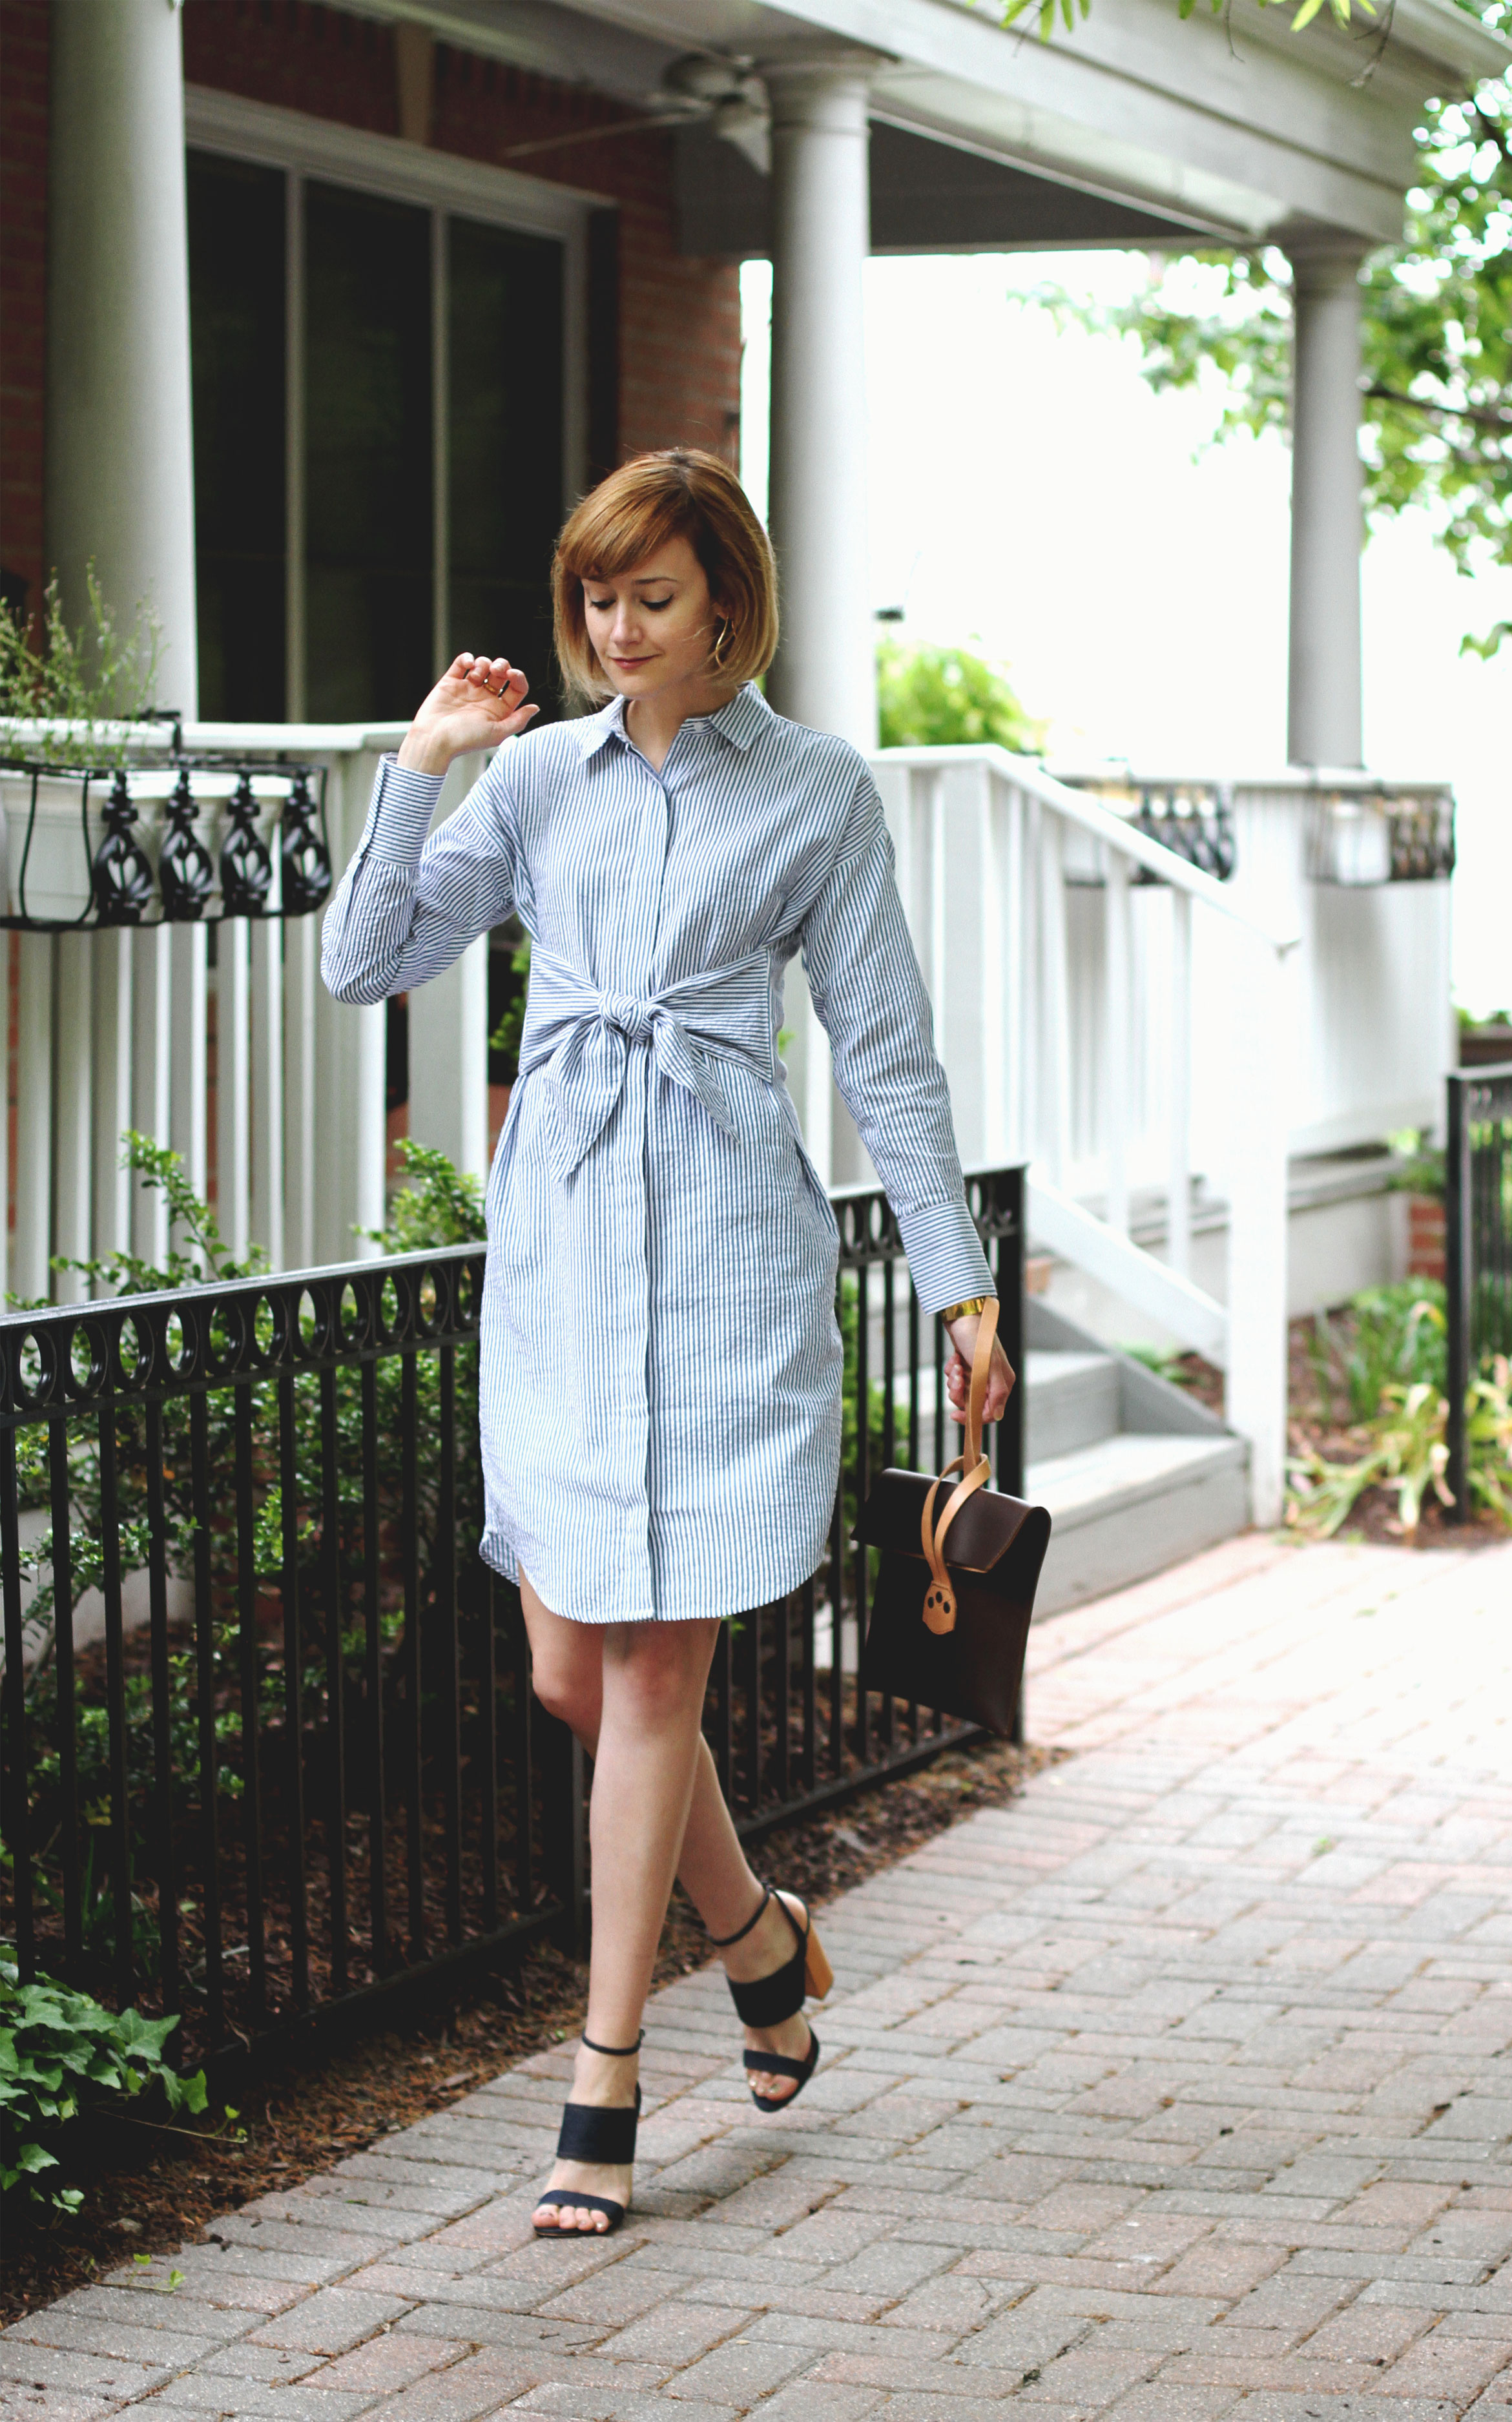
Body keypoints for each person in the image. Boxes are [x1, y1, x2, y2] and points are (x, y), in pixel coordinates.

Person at [322, 447, 1015, 2237]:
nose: (616, 631)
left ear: (727, 602)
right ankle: (761, 1944)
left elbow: (884, 1051)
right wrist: (418, 770)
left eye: (650, 598)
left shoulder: (815, 791)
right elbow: (364, 962)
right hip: (557, 1254)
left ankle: (603, 2078)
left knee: (648, 1682)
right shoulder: (539, 779)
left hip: (719, 1259)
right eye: (594, 601)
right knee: (576, 1675)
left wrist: (959, 1284)